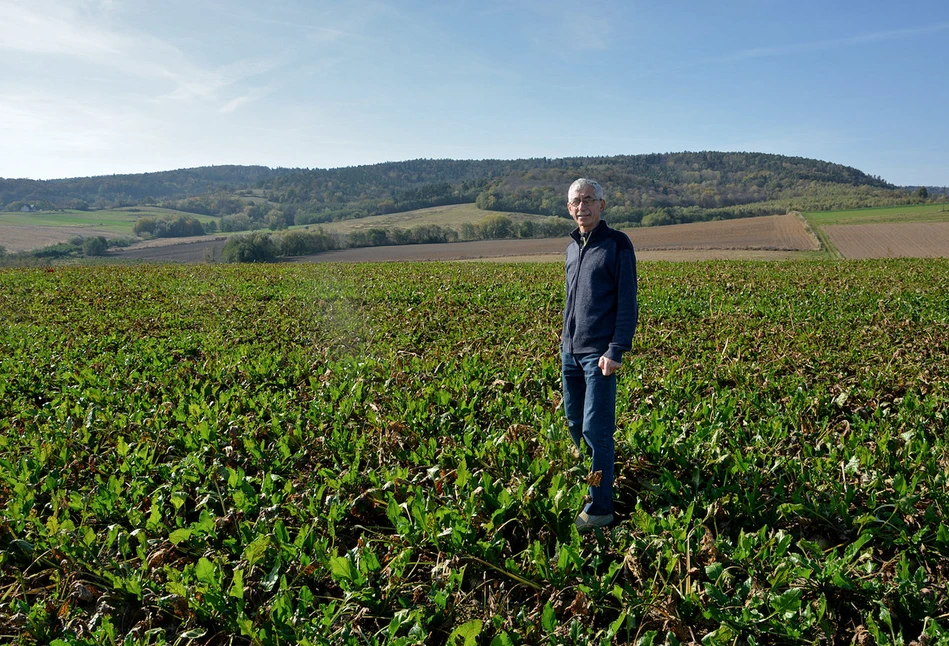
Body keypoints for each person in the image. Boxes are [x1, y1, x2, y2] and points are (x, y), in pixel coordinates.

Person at [561, 178, 638, 532]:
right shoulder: (571, 248)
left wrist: (617, 349)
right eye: (577, 201)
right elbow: (571, 302)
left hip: (600, 356)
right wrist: (565, 342)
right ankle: (592, 479)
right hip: (571, 353)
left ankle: (600, 507)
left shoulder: (617, 244)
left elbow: (627, 301)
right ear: (569, 208)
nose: (583, 206)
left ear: (602, 205)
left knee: (596, 429)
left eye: (589, 199)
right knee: (575, 423)